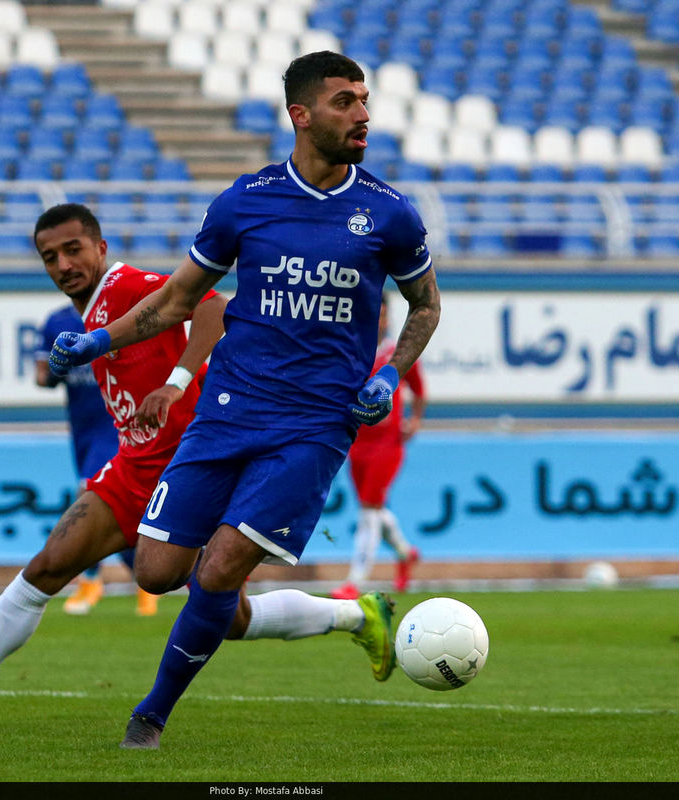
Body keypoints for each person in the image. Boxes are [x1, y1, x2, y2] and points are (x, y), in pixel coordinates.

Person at [49, 51, 442, 749]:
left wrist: (387, 376)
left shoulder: (390, 214)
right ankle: (348, 617)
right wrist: (99, 342)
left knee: (224, 567)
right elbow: (176, 300)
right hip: (226, 412)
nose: (363, 114)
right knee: (158, 570)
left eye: (364, 100)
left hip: (315, 426)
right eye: (345, 102)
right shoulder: (245, 200)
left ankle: (151, 714)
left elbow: (425, 307)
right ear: (301, 114)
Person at [0, 203, 400, 725]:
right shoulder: (82, 316)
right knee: (48, 568)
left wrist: (176, 382)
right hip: (134, 468)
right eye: (50, 257)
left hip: (192, 465)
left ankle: (354, 615)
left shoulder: (126, 286)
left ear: (101, 248)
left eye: (73, 249)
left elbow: (212, 308)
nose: (63, 264)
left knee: (227, 613)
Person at [35, 305, 157, 617]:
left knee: (88, 497)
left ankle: (90, 581)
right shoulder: (57, 322)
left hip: (117, 425)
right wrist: (58, 365)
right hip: (83, 431)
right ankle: (144, 581)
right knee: (118, 511)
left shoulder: (123, 312)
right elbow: (42, 378)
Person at [332, 294, 426, 600]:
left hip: (388, 443)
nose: (379, 321)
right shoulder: (351, 351)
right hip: (358, 442)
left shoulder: (397, 353)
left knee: (370, 509)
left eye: (383, 315)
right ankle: (405, 552)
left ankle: (354, 582)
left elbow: (419, 389)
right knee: (371, 509)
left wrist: (415, 420)